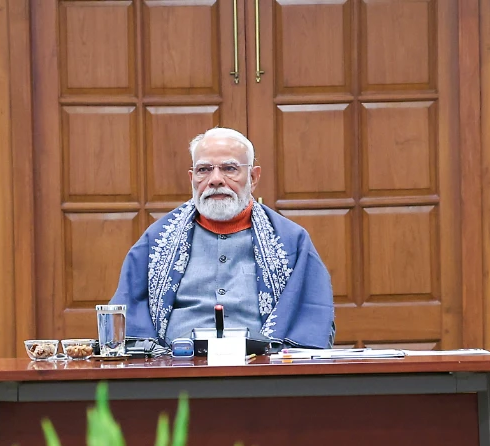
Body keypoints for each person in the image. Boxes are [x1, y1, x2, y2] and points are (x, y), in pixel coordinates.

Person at [109, 127, 334, 349]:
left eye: (229, 168)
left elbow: (311, 319)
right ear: (192, 178)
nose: (215, 180)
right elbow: (128, 322)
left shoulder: (290, 241)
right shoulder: (157, 241)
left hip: (261, 367)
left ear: (253, 177)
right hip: (176, 366)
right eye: (204, 170)